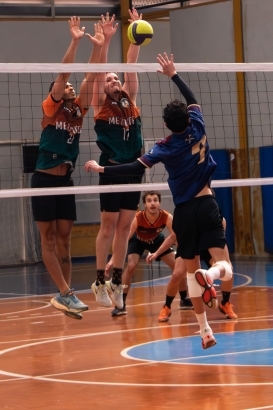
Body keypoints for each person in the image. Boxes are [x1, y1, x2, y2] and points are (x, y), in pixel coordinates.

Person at [86, 52, 233, 349]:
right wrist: (173, 74)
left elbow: (133, 166)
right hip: (207, 203)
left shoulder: (164, 147)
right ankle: (212, 274)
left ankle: (205, 330)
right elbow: (192, 99)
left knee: (190, 273)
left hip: (184, 211)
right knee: (224, 265)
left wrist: (103, 170)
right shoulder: (198, 125)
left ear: (166, 124)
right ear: (188, 117)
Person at [32, 16, 104, 320]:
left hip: (65, 181)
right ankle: (64, 291)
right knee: (48, 238)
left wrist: (98, 46)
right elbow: (65, 73)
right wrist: (75, 41)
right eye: (65, 86)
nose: (71, 86)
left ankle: (67, 293)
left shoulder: (78, 110)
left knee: (65, 239)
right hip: (44, 180)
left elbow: (91, 76)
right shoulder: (52, 107)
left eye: (72, 86)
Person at [88, 8, 147, 311]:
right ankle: (100, 279)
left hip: (133, 170)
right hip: (111, 168)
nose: (113, 80)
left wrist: (136, 31)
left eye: (116, 78)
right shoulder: (100, 104)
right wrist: (107, 40)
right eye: (109, 79)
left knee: (125, 229)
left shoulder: (130, 100)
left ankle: (116, 281)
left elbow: (131, 64)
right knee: (108, 226)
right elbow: (99, 72)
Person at [106, 191, 192, 318]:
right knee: (131, 266)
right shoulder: (138, 218)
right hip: (138, 241)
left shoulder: (167, 217)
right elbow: (124, 239)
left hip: (157, 241)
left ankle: (184, 298)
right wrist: (113, 259)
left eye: (155, 200)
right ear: (145, 204)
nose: (153, 203)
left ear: (159, 203)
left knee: (178, 266)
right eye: (149, 201)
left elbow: (175, 237)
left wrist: (182, 253)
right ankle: (120, 303)